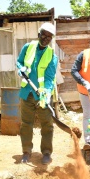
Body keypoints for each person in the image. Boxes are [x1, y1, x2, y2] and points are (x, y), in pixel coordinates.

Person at [16, 22, 58, 165]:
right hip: (27, 92)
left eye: (49, 37)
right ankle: (26, 151)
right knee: (26, 124)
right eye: (44, 35)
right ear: (39, 34)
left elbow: (49, 77)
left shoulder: (52, 55)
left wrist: (45, 92)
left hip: (42, 96)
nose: (46, 38)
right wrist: (20, 70)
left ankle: (46, 152)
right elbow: (19, 62)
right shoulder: (28, 47)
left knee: (47, 124)